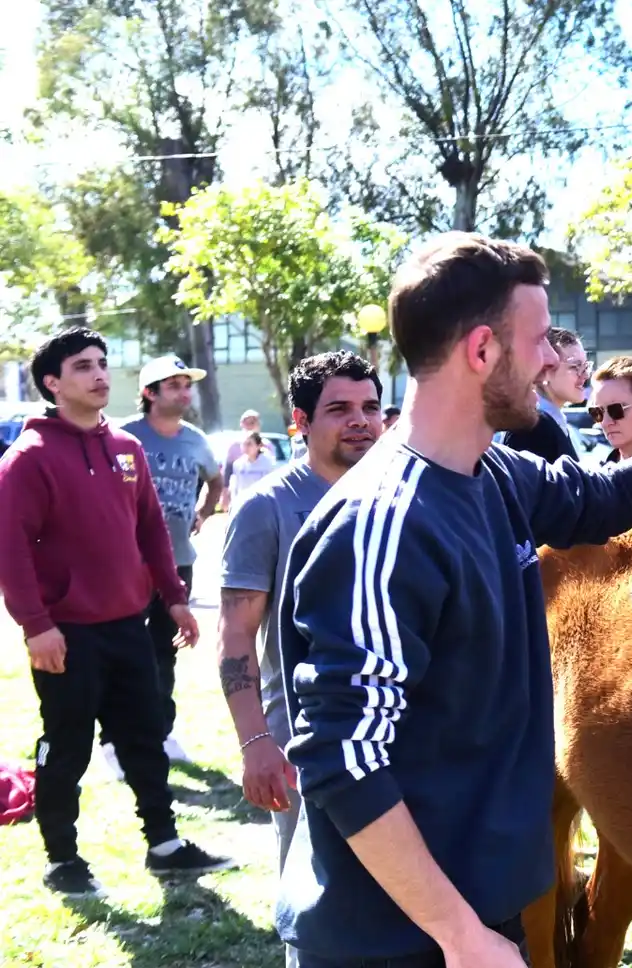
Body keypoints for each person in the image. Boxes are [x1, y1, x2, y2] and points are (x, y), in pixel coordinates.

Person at [274, 232, 632, 968]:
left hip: (473, 914)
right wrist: (459, 936)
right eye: (537, 343)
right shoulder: (383, 526)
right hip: (397, 936)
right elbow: (344, 757)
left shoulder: (492, 473)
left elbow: (607, 498)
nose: (552, 363)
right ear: (480, 351)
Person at [0, 328, 232, 897]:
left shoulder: (125, 449)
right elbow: (8, 548)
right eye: (83, 367)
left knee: (145, 734)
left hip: (130, 622)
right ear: (53, 383)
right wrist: (38, 627)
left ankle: (165, 845)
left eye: (103, 364)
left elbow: (151, 528)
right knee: (68, 742)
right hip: (67, 634)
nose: (100, 375)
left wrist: (174, 597)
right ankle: (63, 861)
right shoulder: (27, 459)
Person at [218, 351, 383, 968]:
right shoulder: (268, 506)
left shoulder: (405, 499)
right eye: (339, 409)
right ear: (300, 421)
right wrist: (255, 740)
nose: (360, 421)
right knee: (315, 912)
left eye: (370, 407)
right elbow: (236, 635)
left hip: (399, 734)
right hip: (302, 743)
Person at [110, 354, 223, 770]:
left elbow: (215, 480)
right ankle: (115, 742)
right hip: (127, 562)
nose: (184, 392)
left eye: (186, 384)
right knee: (122, 649)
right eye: (173, 385)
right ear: (149, 393)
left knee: (166, 648)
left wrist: (204, 511)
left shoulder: (195, 439)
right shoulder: (124, 436)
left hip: (178, 561)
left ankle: (162, 731)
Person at [502, 327, 590, 463]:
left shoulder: (553, 423)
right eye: (575, 367)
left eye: (585, 366)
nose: (585, 375)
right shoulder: (533, 426)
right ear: (546, 369)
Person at [221, 409, 262, 506]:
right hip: (240, 493)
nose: (249, 425)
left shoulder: (267, 445)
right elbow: (228, 471)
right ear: (241, 424)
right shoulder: (234, 446)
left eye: (253, 422)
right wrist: (225, 494)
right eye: (246, 422)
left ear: (258, 424)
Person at [226, 432, 276, 510]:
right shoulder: (238, 464)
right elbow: (235, 486)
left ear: (259, 445)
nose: (246, 447)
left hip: (263, 504)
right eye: (244, 444)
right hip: (243, 505)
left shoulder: (268, 462)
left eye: (249, 444)